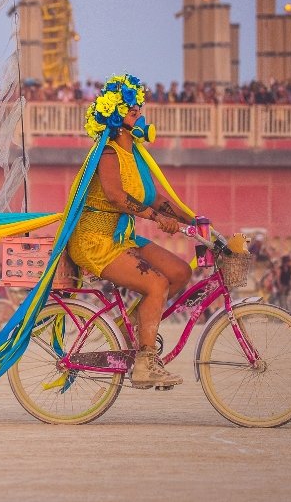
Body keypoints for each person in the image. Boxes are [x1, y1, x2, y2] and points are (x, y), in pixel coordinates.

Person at [67, 74, 193, 389]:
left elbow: (158, 199)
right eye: (131, 108)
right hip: (95, 240)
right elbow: (116, 197)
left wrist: (195, 220)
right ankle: (146, 362)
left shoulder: (135, 155)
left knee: (178, 272)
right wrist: (153, 217)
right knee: (156, 284)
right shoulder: (108, 153)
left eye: (138, 106)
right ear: (115, 116)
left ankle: (131, 331)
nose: (138, 111)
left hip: (122, 236)